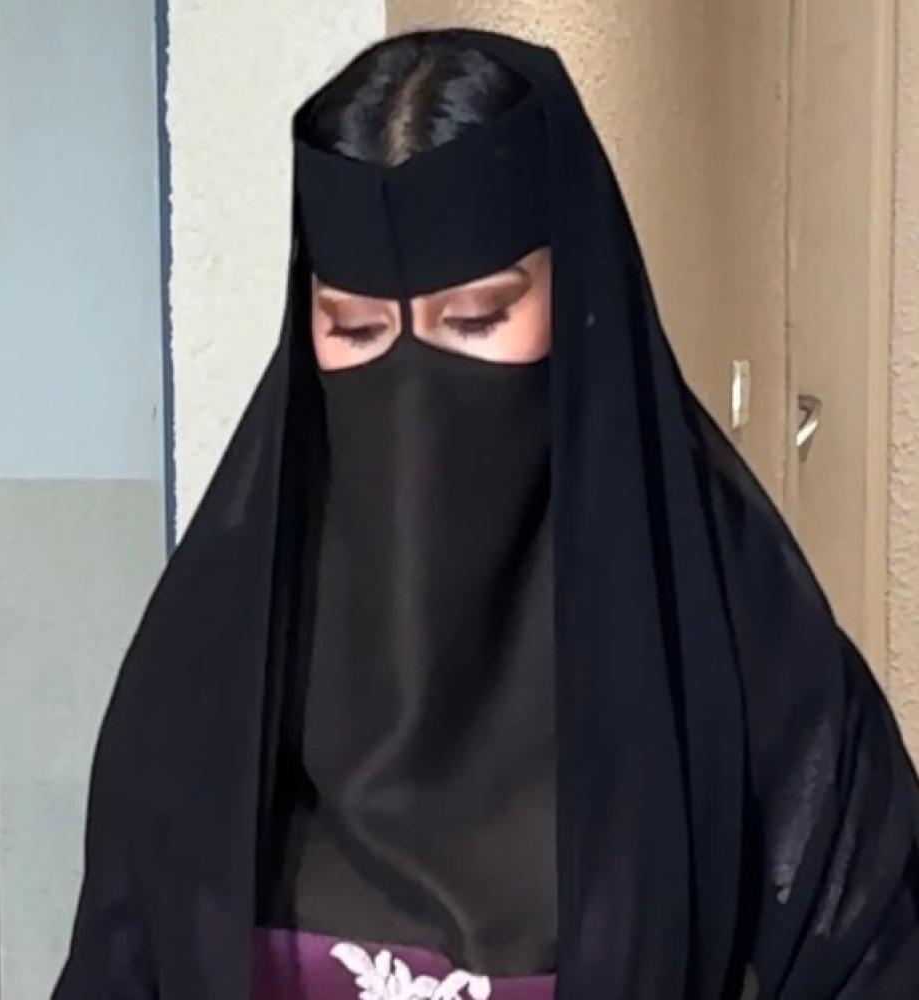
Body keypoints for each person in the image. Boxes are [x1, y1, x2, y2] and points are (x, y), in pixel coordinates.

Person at [51, 28, 919, 1000]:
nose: (413, 387)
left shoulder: (734, 650)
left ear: (577, 292)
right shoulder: (218, 654)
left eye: (477, 319)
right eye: (354, 329)